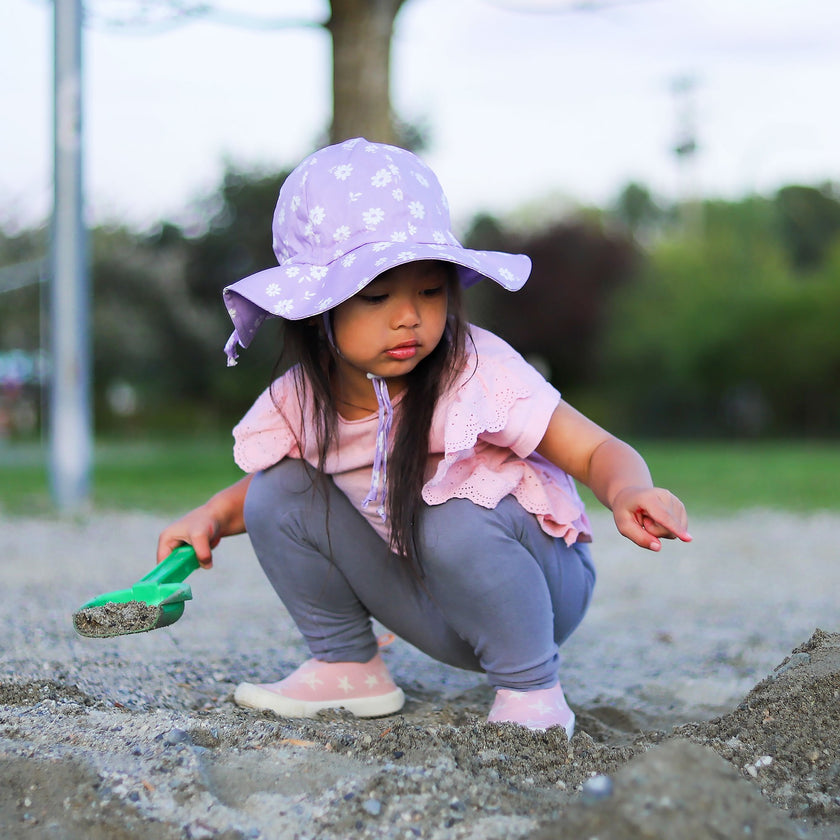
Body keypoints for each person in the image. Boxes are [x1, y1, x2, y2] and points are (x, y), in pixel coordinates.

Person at [158, 138, 691, 737]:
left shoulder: (477, 371)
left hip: (538, 590)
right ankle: (346, 665)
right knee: (278, 488)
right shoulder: (300, 399)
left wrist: (627, 492)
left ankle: (531, 692)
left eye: (430, 292)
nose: (408, 316)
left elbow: (595, 449)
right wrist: (208, 518)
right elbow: (266, 496)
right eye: (378, 296)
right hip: (425, 595)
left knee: (450, 511)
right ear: (315, 308)